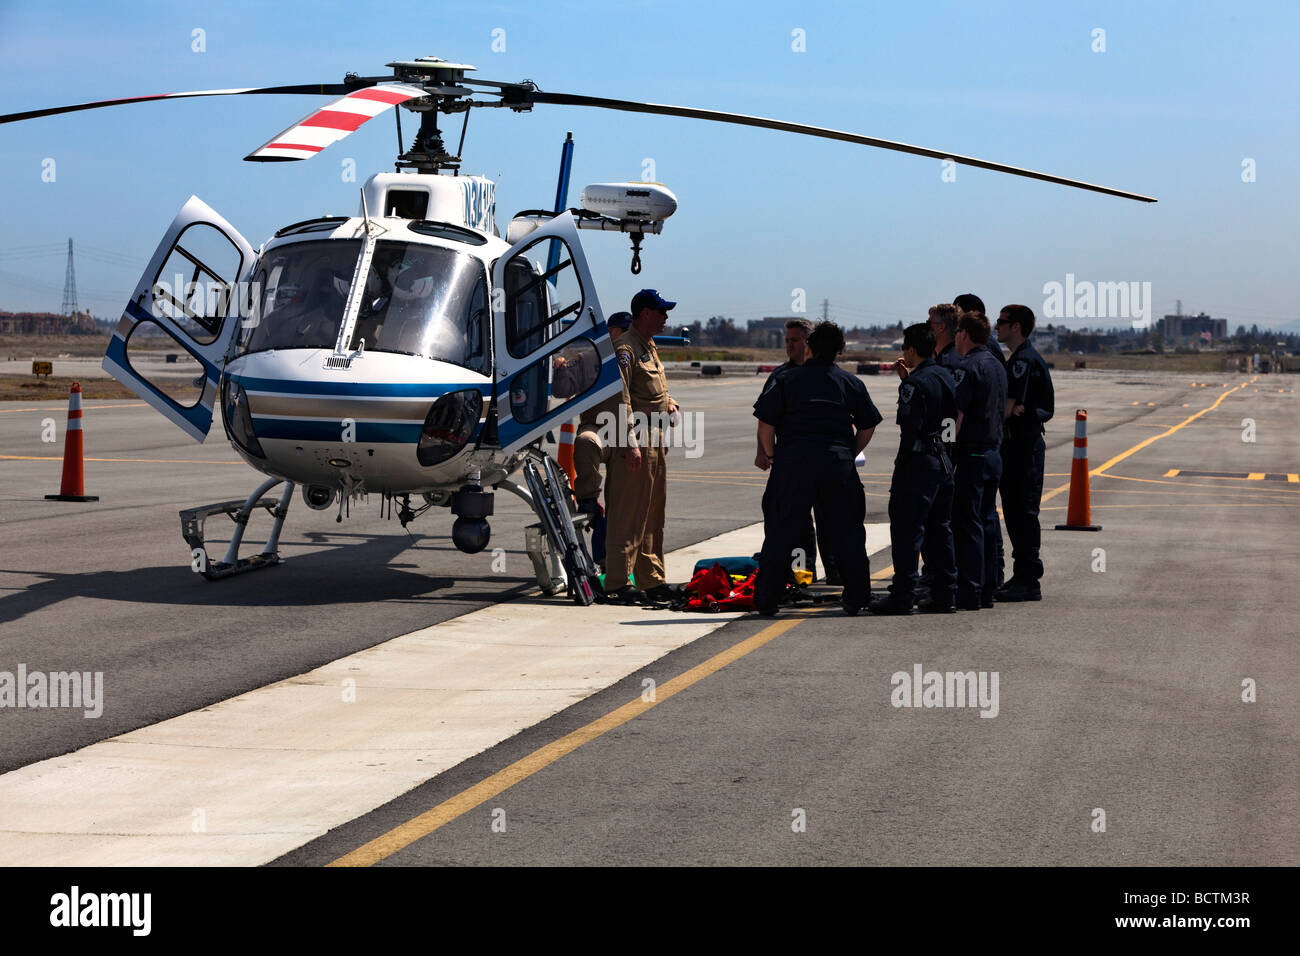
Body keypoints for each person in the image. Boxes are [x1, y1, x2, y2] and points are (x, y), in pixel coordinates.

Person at [752, 321, 881, 616]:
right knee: (848, 532)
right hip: (836, 465)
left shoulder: (786, 380)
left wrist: (773, 457)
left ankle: (767, 600)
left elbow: (765, 424)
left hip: (793, 464)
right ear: (839, 351)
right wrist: (850, 452)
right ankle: (857, 596)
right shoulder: (850, 382)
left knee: (781, 533)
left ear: (809, 347)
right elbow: (868, 423)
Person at [872, 323, 958, 614]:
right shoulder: (946, 376)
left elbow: (910, 429)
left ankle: (903, 595)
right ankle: (945, 593)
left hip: (918, 463)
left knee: (907, 530)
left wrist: (903, 468)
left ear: (911, 349)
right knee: (940, 530)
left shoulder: (913, 385)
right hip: (944, 460)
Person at [603, 290, 679, 604]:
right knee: (627, 513)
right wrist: (630, 445)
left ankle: (652, 578)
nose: (666, 317)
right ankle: (618, 581)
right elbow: (620, 400)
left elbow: (654, 391)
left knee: (652, 514)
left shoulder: (648, 346)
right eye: (661, 311)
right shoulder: (626, 348)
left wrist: (671, 403)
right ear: (645, 313)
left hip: (655, 441)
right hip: (635, 441)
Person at [756, 319, 839, 584]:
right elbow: (765, 419)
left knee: (829, 517)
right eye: (787, 341)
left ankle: (837, 573)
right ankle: (803, 574)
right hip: (790, 460)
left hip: (822, 461)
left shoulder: (830, 374)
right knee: (793, 520)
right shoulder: (780, 376)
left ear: (808, 342)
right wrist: (764, 453)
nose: (789, 346)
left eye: (794, 340)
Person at [555, 311, 637, 569]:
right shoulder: (589, 359)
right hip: (599, 427)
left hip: (629, 430)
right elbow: (562, 390)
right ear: (612, 332)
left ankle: (618, 560)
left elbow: (657, 390)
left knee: (623, 503)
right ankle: (589, 499)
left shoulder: (638, 358)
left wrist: (670, 403)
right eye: (625, 330)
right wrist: (559, 369)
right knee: (586, 442)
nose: (628, 335)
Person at [995, 304, 1054, 601]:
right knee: (1017, 513)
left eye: (1002, 322)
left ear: (1016, 326)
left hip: (1023, 447)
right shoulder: (1019, 358)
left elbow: (1007, 407)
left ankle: (1029, 579)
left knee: (1023, 513)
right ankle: (1022, 575)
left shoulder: (1022, 361)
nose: (997, 326)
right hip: (1018, 446)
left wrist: (1005, 413)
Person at [951, 311, 1007, 611]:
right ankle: (986, 589)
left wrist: (946, 451)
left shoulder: (967, 367)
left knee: (967, 523)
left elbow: (956, 416)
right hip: (993, 453)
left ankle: (969, 589)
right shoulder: (997, 365)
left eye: (958, 332)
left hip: (971, 453)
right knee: (986, 520)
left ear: (965, 334)